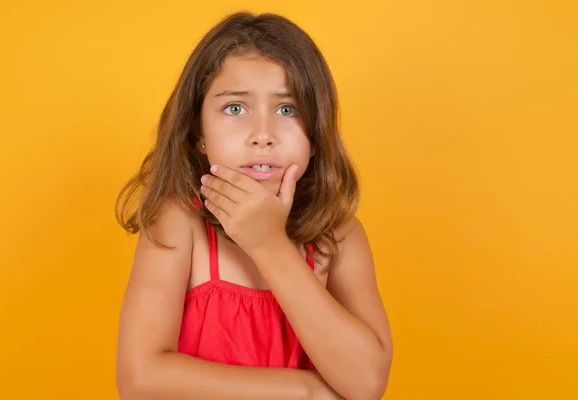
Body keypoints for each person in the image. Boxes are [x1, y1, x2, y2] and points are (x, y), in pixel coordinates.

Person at [115, 11, 393, 400]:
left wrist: (269, 244)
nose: (262, 135)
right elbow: (140, 380)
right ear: (198, 132)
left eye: (287, 109)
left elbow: (366, 382)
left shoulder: (339, 235)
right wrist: (305, 392)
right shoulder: (178, 223)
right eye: (235, 109)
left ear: (316, 133)